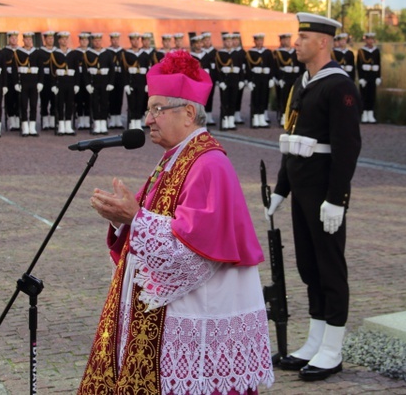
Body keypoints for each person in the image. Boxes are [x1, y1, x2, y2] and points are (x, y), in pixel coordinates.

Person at [79, 49, 274, 395]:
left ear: (188, 113)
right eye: (147, 109)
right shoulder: (175, 158)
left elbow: (193, 250)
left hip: (198, 312)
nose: (148, 119)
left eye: (157, 109)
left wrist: (134, 219)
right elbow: (152, 222)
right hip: (168, 309)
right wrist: (123, 222)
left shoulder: (209, 164)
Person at [267, 13, 362, 382]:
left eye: (303, 36)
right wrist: (280, 191)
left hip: (325, 192)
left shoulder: (339, 86)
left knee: (330, 268)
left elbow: (347, 148)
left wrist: (338, 198)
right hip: (303, 191)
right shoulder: (303, 82)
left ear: (324, 42)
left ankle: (332, 349)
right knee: (309, 267)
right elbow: (293, 144)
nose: (296, 42)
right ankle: (316, 341)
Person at [247, 33, 275, 128]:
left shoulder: (267, 52)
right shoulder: (250, 53)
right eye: (257, 40)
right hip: (256, 78)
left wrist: (271, 78)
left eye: (261, 40)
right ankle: (255, 118)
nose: (259, 42)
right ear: (254, 41)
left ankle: (262, 118)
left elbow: (272, 65)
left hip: (265, 78)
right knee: (256, 98)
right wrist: (249, 80)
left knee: (264, 98)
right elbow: (248, 68)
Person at [357, 32, 381, 124]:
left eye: (372, 39)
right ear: (365, 40)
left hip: (373, 76)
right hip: (365, 76)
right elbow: (359, 65)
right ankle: (364, 114)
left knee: (372, 95)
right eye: (368, 39)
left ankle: (371, 113)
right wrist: (361, 77)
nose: (370, 41)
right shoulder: (361, 51)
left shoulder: (376, 51)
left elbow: (379, 64)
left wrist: (378, 76)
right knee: (364, 95)